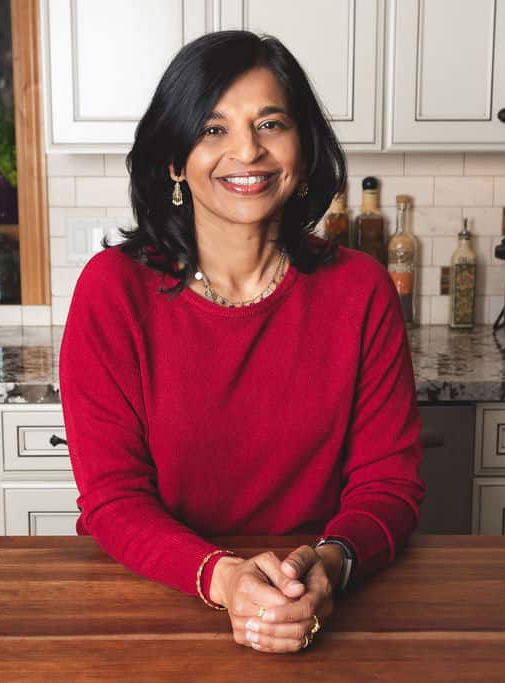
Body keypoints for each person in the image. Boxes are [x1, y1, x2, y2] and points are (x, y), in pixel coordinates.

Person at [59, 30, 425, 654]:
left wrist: (330, 565)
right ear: (175, 159)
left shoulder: (361, 290)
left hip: (320, 595)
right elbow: (113, 498)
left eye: (271, 124)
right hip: (162, 591)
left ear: (302, 149)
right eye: (212, 129)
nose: (247, 151)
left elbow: (388, 484)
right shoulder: (112, 291)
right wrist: (225, 578)